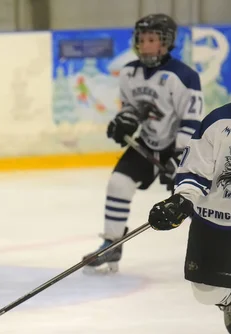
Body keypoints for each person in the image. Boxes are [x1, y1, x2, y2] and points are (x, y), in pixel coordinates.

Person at [83, 14, 203, 273]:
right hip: (147, 143)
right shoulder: (130, 72)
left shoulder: (184, 76)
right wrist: (124, 122)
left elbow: (191, 120)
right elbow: (131, 108)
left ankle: (211, 248)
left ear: (166, 42)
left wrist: (182, 157)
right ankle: (111, 244)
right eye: (142, 39)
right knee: (118, 183)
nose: (145, 45)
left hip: (178, 149)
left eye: (152, 39)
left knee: (191, 200)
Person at [148, 64, 231, 334]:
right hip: (215, 220)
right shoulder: (219, 121)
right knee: (205, 292)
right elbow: (194, 170)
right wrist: (181, 200)